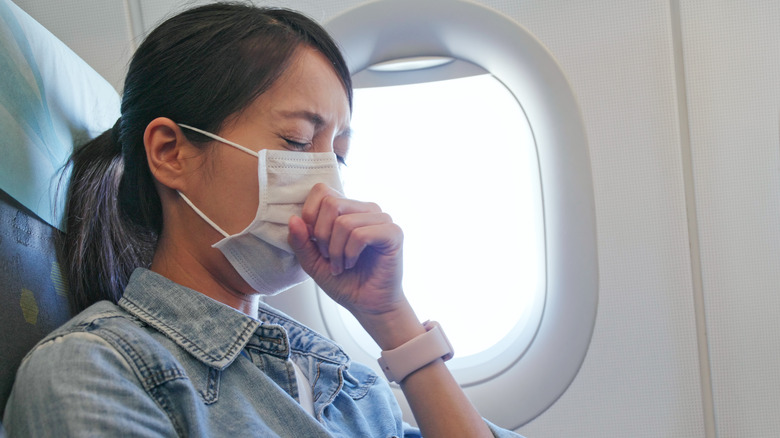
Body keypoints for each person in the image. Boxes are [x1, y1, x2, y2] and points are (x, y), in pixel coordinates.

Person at [3, 3, 523, 437]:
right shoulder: (95, 372)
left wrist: (392, 320)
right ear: (171, 153)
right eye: (297, 142)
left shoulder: (346, 384)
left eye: (336, 156)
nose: (327, 187)